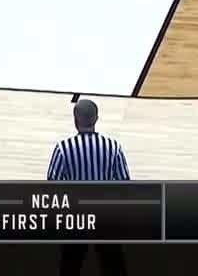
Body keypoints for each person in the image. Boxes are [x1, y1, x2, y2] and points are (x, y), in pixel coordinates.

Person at [48, 99, 130, 276]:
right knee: (114, 268)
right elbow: (124, 184)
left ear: (75, 119)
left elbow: (52, 185)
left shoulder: (63, 148)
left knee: (70, 268)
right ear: (96, 118)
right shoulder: (112, 147)